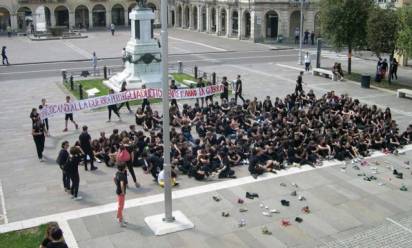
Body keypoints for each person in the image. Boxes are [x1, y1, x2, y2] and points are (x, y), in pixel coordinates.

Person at [114, 163, 127, 227]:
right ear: (124, 168)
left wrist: (117, 185)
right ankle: (120, 219)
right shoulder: (122, 175)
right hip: (121, 193)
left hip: (118, 191)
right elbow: (122, 184)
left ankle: (120, 217)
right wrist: (123, 192)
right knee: (121, 206)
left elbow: (114, 178)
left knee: (121, 205)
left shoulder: (117, 173)